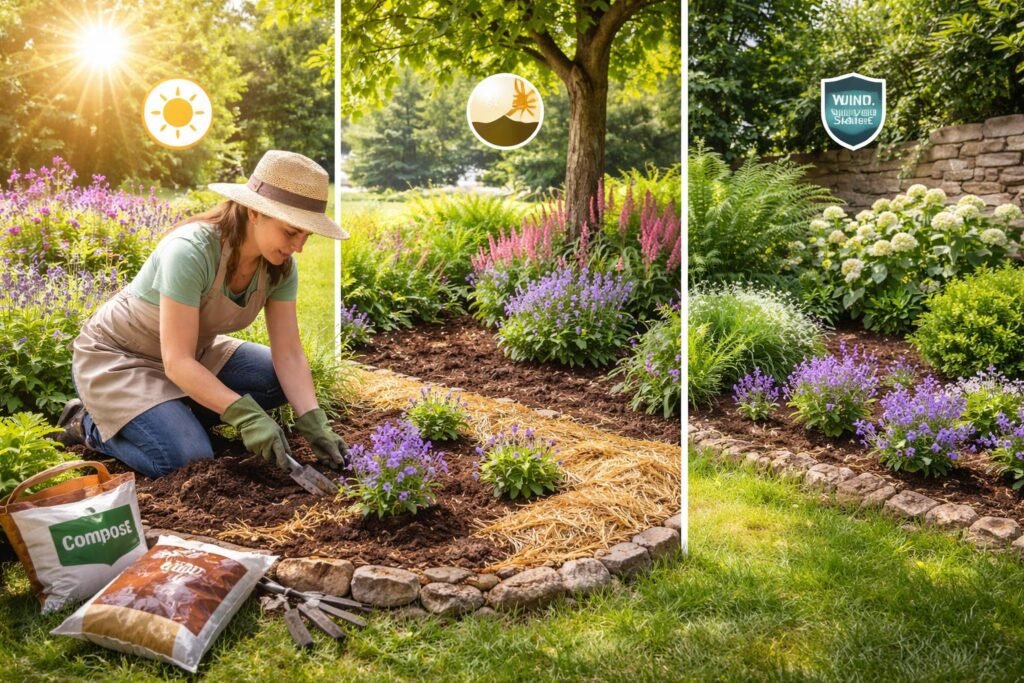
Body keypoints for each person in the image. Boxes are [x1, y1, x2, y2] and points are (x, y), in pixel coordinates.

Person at [55, 150, 350, 478]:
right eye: (291, 232)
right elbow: (176, 361)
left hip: (193, 354)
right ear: (255, 212)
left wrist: (313, 420)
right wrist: (247, 416)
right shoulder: (190, 250)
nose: (299, 247)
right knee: (188, 458)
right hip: (122, 359)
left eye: (306, 235)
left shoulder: (279, 267)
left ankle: (171, 413)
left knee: (275, 381)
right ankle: (88, 423)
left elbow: (290, 355)